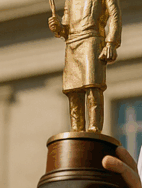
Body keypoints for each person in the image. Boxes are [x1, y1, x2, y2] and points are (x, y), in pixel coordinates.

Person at [47, 0, 120, 132]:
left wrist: (111, 43)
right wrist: (57, 28)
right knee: (73, 92)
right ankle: (76, 130)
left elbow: (114, 14)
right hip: (72, 43)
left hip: (91, 40)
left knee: (92, 87)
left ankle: (94, 127)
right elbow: (66, 27)